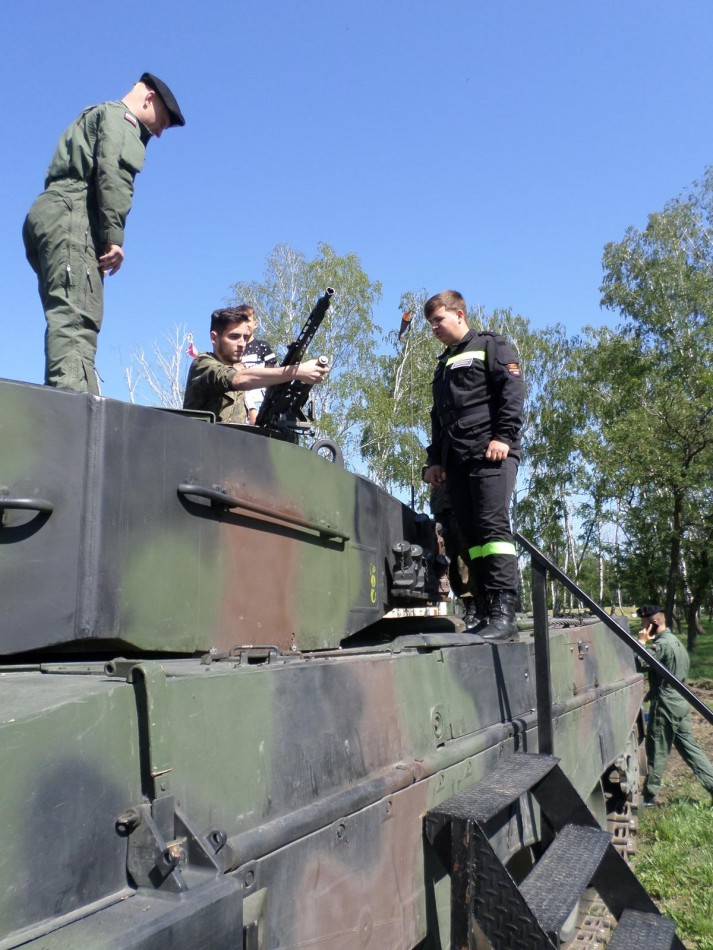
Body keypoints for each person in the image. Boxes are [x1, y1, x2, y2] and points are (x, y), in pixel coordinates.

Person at [23, 73, 186, 395]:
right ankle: (70, 411)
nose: (159, 132)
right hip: (74, 213)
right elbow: (114, 175)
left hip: (52, 212)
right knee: (76, 319)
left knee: (70, 314)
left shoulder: (96, 114)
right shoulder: (121, 120)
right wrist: (114, 237)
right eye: (162, 122)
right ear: (149, 99)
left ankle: (80, 400)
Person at [422, 290, 524, 641]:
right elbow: (438, 418)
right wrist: (435, 461)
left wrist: (503, 437)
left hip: (490, 452)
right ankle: (483, 609)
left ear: (459, 314)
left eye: (438, 319)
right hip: (456, 460)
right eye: (430, 322)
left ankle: (504, 612)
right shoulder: (443, 364)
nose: (434, 327)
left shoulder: (489, 345)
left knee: (492, 529)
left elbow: (512, 391)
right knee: (470, 537)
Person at [183, 307, 328, 422]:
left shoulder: (241, 368)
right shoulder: (203, 363)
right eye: (234, 337)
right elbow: (238, 379)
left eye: (245, 337)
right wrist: (296, 371)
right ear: (214, 338)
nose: (242, 344)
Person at [636, 605, 713, 807]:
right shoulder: (675, 642)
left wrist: (641, 642)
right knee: (690, 748)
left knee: (657, 750)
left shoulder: (661, 645)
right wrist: (652, 691)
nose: (642, 627)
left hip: (666, 706)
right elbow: (672, 672)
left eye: (644, 623)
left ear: (653, 623)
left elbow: (639, 663)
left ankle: (649, 798)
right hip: (680, 702)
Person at [427, 480, 480, 623]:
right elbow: (426, 472)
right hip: (440, 507)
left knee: (464, 557)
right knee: (444, 558)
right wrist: (431, 473)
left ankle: (474, 606)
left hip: (461, 504)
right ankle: (468, 605)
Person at [235, 305, 278, 424]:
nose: (245, 325)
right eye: (240, 321)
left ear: (255, 324)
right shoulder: (234, 350)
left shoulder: (262, 346)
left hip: (259, 398)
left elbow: (271, 374)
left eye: (248, 320)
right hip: (240, 400)